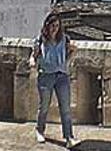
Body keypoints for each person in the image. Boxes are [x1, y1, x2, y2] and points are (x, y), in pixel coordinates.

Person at [30, 13, 77, 147]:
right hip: (46, 76)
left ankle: (69, 137)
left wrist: (69, 57)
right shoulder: (40, 40)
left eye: (57, 26)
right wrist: (33, 62)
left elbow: (71, 53)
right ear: (47, 26)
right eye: (52, 25)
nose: (54, 28)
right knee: (44, 106)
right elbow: (33, 55)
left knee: (65, 108)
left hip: (62, 76)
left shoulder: (64, 39)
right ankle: (39, 131)